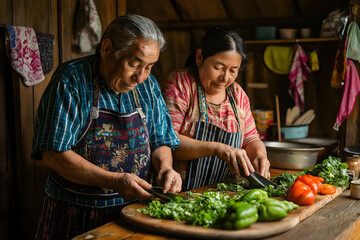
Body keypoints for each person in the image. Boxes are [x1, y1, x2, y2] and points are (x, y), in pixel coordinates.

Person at [32, 14, 181, 239]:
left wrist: (165, 169)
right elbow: (54, 155)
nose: (140, 77)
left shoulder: (148, 86)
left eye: (149, 67)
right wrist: (114, 180)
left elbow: (161, 141)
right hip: (76, 213)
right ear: (107, 49)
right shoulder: (71, 80)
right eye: (134, 63)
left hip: (136, 211)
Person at [162, 26, 270, 191]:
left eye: (233, 70)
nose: (225, 78)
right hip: (180, 193)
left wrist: (260, 156)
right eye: (218, 68)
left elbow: (251, 139)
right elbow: (169, 141)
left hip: (223, 193)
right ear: (200, 58)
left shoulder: (238, 95)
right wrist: (217, 148)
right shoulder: (180, 84)